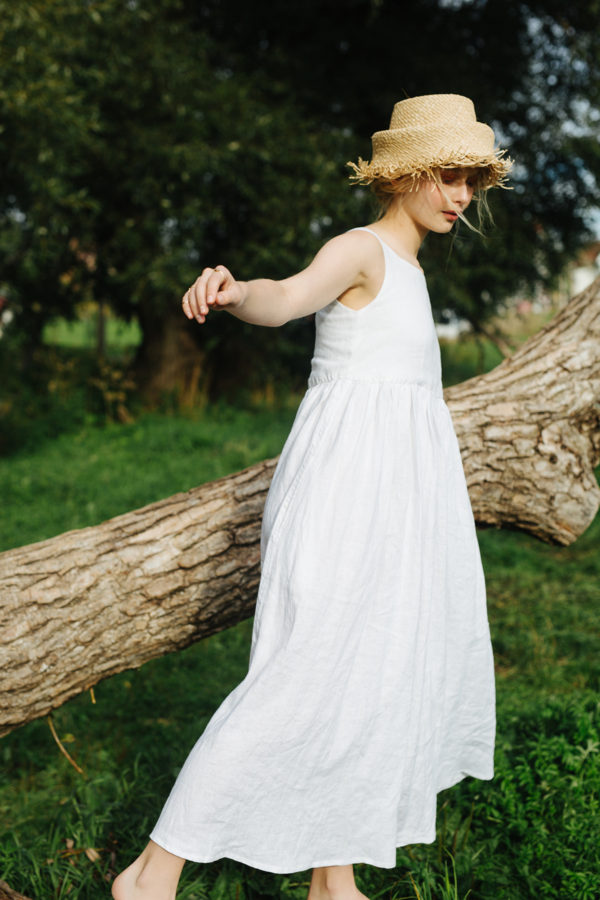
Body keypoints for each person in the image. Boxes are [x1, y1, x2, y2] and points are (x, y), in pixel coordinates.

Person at [112, 93, 512, 900]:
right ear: (403, 175)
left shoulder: (410, 269)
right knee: (306, 668)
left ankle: (334, 877)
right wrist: (233, 290)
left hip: (403, 498)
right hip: (347, 489)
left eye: (469, 178)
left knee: (374, 667)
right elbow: (288, 296)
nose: (460, 194)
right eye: (446, 176)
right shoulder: (360, 250)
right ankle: (153, 873)